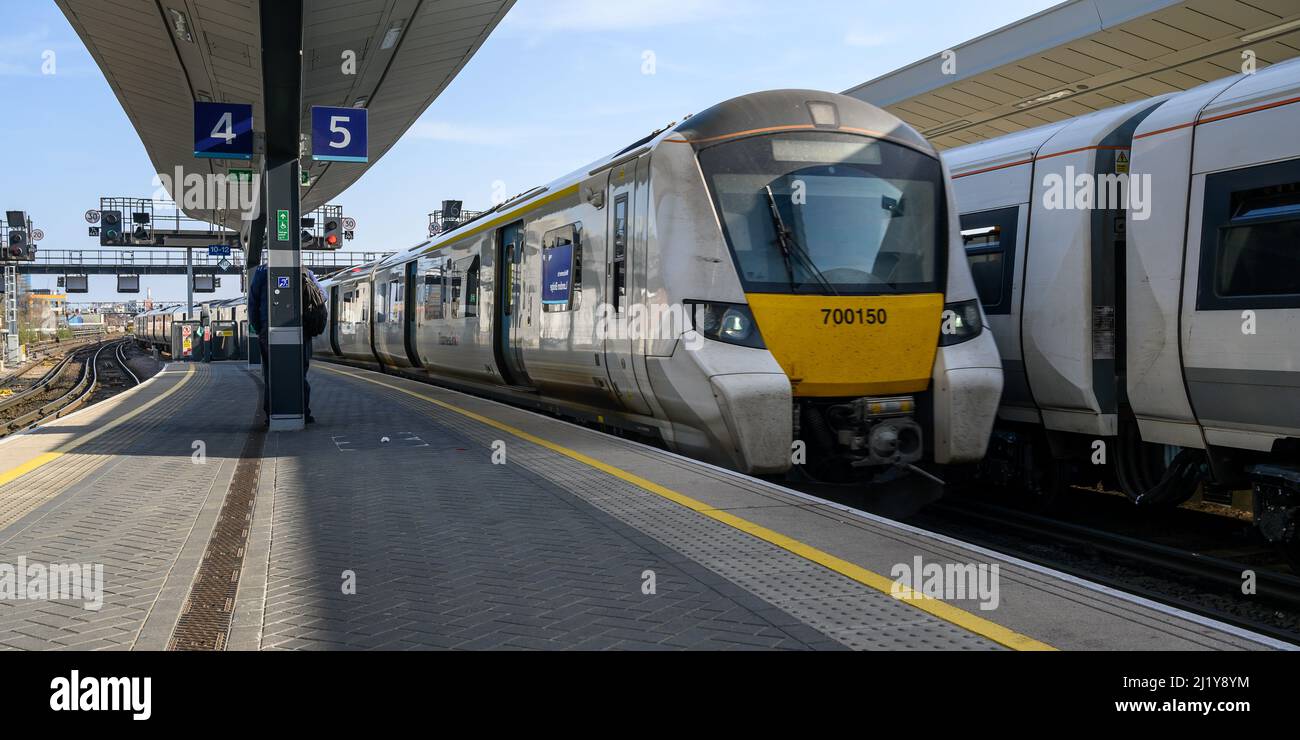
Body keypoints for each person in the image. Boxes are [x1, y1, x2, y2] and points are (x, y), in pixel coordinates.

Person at [248, 263, 325, 426]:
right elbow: (322, 295)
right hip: (301, 330)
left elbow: (253, 303)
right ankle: (303, 411)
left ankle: (272, 413)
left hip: (268, 331)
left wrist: (258, 327)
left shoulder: (262, 272)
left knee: (272, 374)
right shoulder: (304, 270)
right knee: (299, 373)